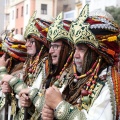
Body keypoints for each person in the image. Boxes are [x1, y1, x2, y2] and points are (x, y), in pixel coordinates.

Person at [43, 5, 120, 120]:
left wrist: (59, 106)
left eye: (82, 49)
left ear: (97, 53)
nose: (75, 55)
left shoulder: (109, 85)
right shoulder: (75, 76)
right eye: (75, 49)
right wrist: (50, 112)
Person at [18, 12, 74, 119]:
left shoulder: (48, 65)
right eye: (51, 46)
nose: (51, 51)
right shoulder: (51, 68)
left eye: (32, 41)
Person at [1, 12, 51, 119]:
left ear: (42, 42)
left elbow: (36, 96)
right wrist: (9, 91)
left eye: (31, 41)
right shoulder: (29, 64)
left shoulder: (46, 64)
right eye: (27, 40)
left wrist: (10, 80)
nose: (27, 44)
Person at [0, 30, 27, 120]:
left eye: (5, 54)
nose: (2, 58)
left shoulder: (21, 73)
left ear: (10, 59)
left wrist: (2, 69)